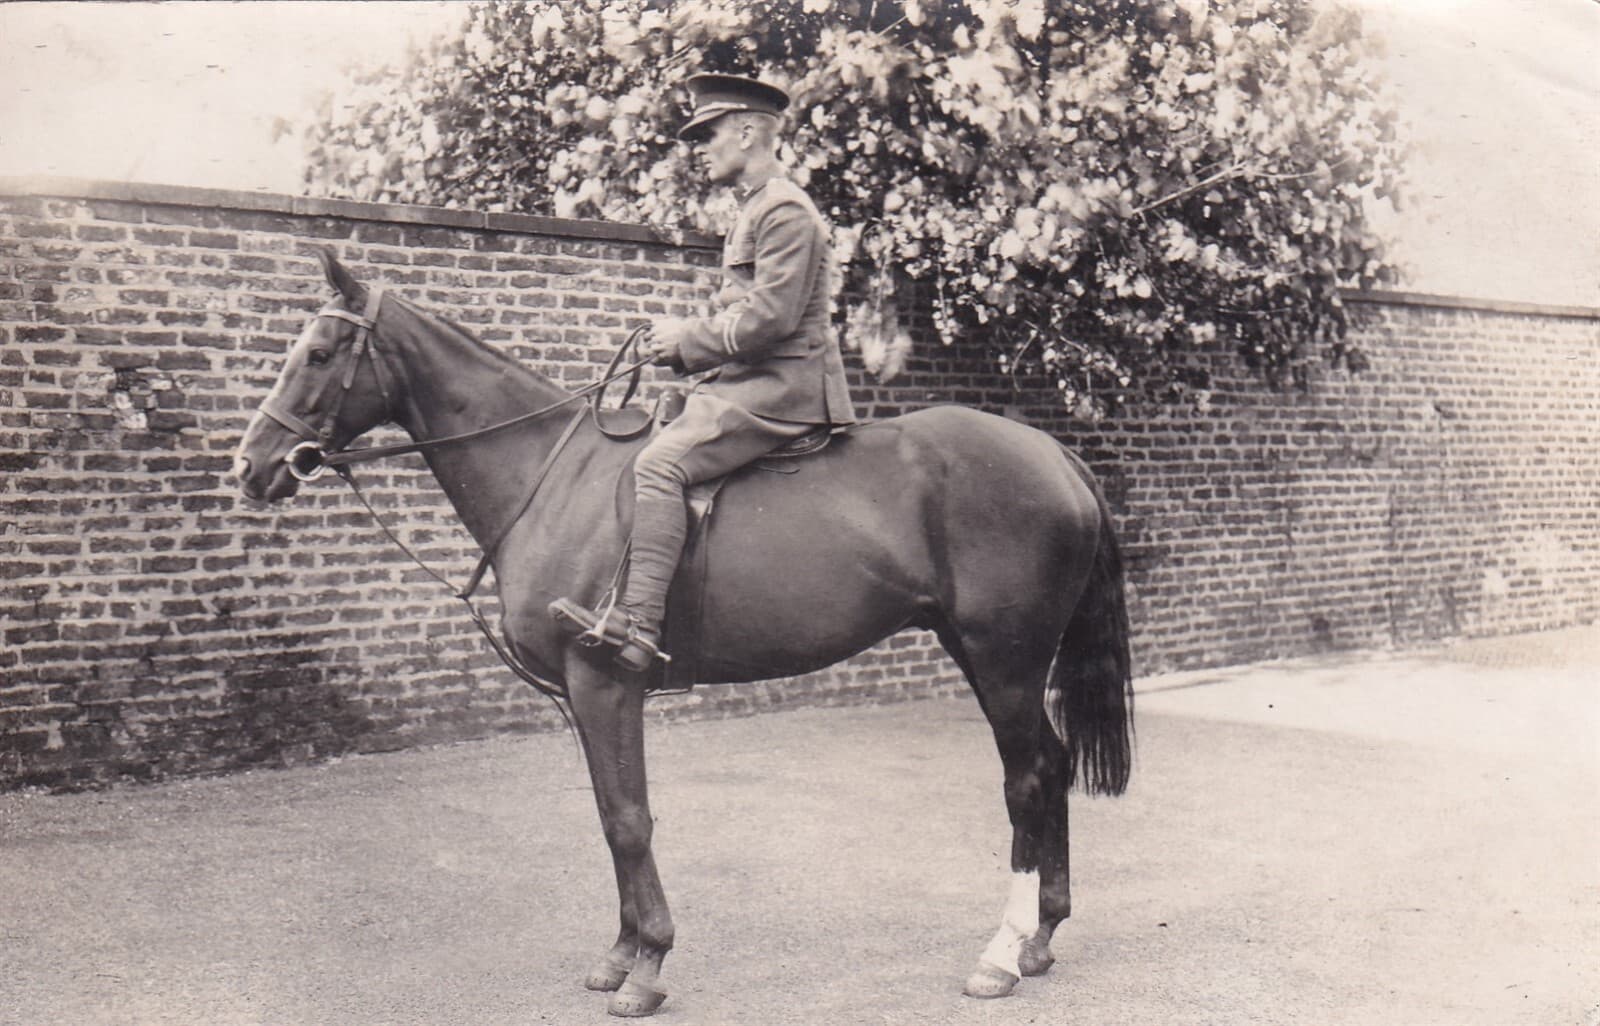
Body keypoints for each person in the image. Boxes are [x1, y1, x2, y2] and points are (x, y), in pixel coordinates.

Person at [550, 72, 857, 671]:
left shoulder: (786, 210)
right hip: (752, 381)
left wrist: (689, 341)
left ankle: (638, 623)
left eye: (707, 134)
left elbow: (771, 319)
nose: (699, 147)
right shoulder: (757, 209)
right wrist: (679, 338)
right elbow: (743, 309)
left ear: (746, 132)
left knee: (660, 463)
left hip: (784, 388)